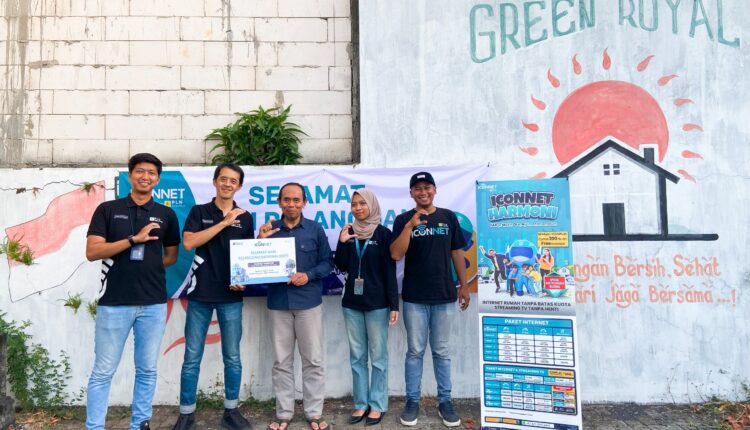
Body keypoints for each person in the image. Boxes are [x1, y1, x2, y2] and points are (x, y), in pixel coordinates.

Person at [85, 153, 180, 430]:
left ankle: (139, 424)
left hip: (153, 304)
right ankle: (94, 427)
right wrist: (132, 240)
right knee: (103, 371)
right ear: (130, 176)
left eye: (151, 173)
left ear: (158, 179)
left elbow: (171, 256)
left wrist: (147, 267)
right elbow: (93, 251)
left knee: (147, 370)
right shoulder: (107, 209)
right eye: (140, 171)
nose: (145, 177)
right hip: (114, 303)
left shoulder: (166, 214)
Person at [171, 163, 254, 430]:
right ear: (215, 181)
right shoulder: (199, 212)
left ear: (239, 186)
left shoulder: (246, 217)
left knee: (232, 357)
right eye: (223, 179)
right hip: (200, 294)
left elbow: (247, 256)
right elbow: (189, 243)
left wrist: (244, 280)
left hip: (231, 296)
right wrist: (224, 223)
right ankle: (186, 414)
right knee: (191, 358)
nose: (228, 184)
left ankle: (231, 411)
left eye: (233, 181)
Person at [390, 172, 470, 428]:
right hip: (415, 297)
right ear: (411, 193)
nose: (423, 192)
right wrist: (409, 227)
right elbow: (395, 254)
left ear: (435, 189)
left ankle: (445, 401)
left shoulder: (448, 217)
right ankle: (412, 401)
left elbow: (457, 252)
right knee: (414, 352)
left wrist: (464, 286)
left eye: (427, 187)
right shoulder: (403, 219)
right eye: (417, 188)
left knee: (441, 352)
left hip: (445, 296)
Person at [257, 183, 334, 430]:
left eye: (296, 200)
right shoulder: (269, 230)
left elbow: (327, 262)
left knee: (313, 361)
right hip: (278, 303)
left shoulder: (315, 229)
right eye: (287, 200)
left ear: (304, 202)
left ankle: (314, 413)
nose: (291, 204)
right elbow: (255, 263)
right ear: (279, 202)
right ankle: (284, 414)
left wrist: (308, 275)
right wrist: (260, 241)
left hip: (308, 303)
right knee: (281, 362)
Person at [334, 189, 398, 426]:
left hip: (377, 304)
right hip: (351, 304)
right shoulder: (348, 232)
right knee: (357, 357)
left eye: (362, 203)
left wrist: (394, 304)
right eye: (354, 204)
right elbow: (341, 266)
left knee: (378, 357)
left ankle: (378, 404)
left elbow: (390, 272)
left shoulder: (383, 234)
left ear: (372, 205)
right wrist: (342, 243)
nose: (358, 208)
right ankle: (360, 404)